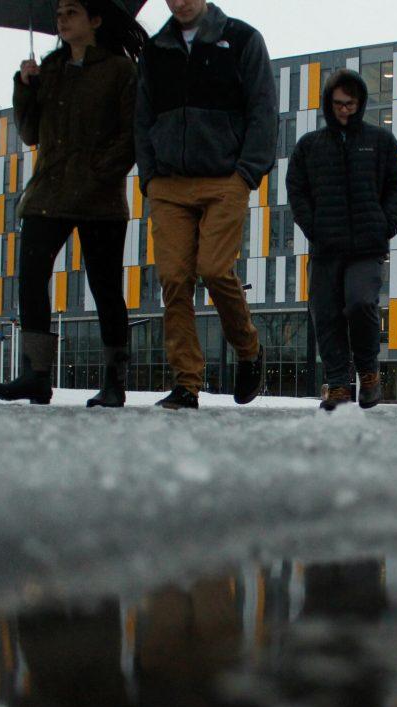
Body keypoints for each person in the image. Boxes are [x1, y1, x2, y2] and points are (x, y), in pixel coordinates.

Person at [0, 0, 145, 408]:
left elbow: (130, 136)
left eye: (72, 11)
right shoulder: (51, 69)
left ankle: (114, 380)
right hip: (49, 193)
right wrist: (25, 87)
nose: (61, 19)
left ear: (94, 20)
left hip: (99, 198)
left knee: (105, 286)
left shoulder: (119, 70)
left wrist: (98, 173)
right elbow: (29, 133)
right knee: (31, 276)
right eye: (59, 13)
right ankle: (36, 375)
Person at [135, 0, 278, 410]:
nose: (179, 2)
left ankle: (248, 349)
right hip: (168, 184)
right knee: (174, 279)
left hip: (224, 179)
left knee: (214, 269)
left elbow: (263, 109)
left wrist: (248, 171)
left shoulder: (242, 40)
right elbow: (142, 117)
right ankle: (187, 383)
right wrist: (149, 175)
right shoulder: (155, 50)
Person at [286, 69, 397, 411]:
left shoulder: (380, 142)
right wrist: (312, 226)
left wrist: (386, 223)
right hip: (326, 247)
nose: (344, 111)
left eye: (351, 104)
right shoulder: (310, 146)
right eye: (338, 104)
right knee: (326, 314)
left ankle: (368, 372)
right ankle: (339, 383)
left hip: (367, 245)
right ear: (329, 103)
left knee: (360, 303)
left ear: (360, 103)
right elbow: (295, 188)